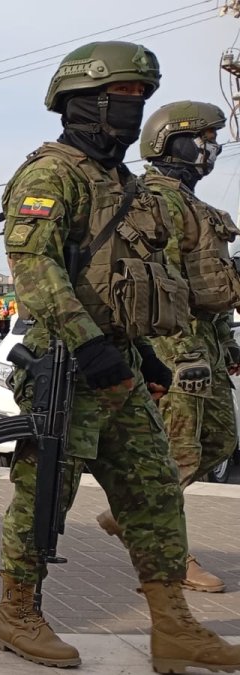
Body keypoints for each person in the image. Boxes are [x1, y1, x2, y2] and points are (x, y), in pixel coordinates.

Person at [0, 42, 240, 671]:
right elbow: (34, 269)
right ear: (80, 104)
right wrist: (89, 344)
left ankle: (173, 627)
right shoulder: (51, 175)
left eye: (140, 101)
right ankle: (16, 614)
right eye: (121, 100)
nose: (132, 114)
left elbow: (143, 276)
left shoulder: (130, 186)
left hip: (121, 368)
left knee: (155, 495)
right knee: (44, 498)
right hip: (66, 366)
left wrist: (150, 360)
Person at [95, 100, 240, 593]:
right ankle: (171, 555)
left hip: (207, 344)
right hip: (177, 350)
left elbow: (208, 289)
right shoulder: (155, 199)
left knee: (219, 442)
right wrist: (182, 352)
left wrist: (225, 344)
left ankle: (131, 512)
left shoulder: (196, 205)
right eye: (202, 138)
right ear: (171, 141)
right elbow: (160, 284)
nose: (211, 148)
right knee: (175, 453)